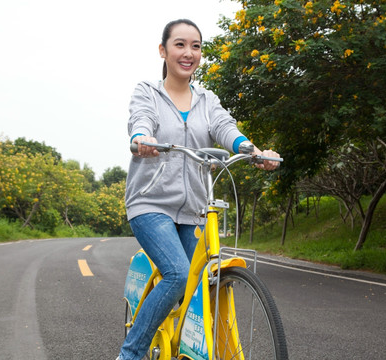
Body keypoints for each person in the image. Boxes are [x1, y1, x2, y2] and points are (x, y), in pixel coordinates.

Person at [117, 19, 280, 360]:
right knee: (177, 274)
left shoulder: (207, 100)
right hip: (150, 203)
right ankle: (130, 354)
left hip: (193, 207)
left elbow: (225, 128)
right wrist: (142, 139)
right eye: (179, 45)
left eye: (195, 46)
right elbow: (140, 119)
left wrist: (252, 150)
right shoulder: (148, 92)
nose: (188, 53)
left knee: (199, 285)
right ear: (163, 51)